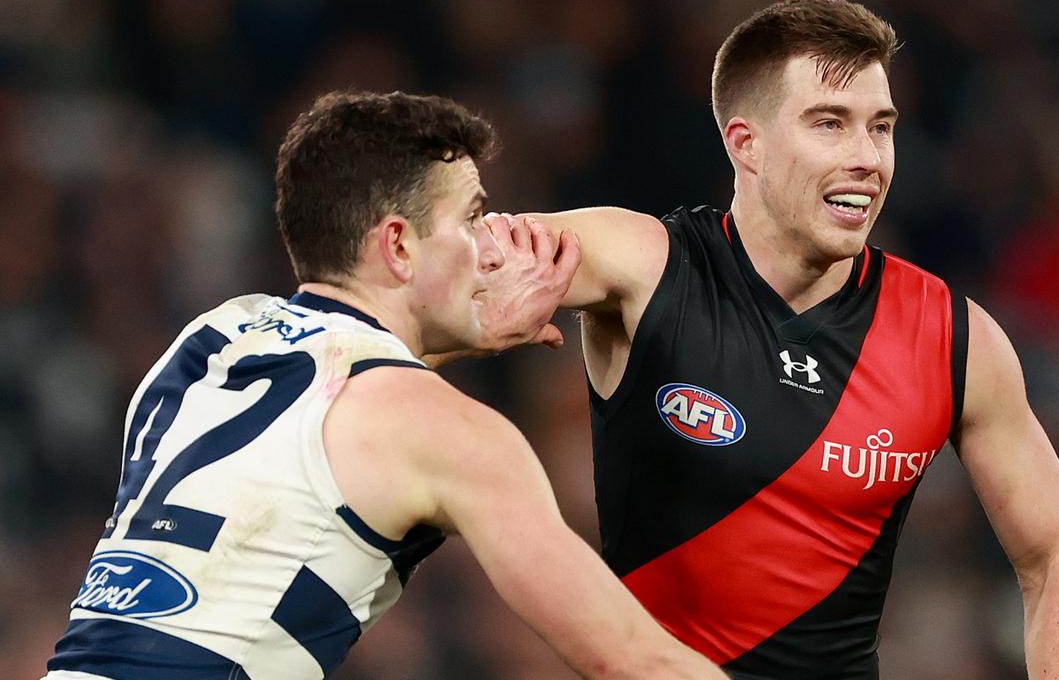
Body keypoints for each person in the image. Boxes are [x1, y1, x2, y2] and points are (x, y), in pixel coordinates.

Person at [44, 91, 727, 680]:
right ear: (398, 246)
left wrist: (465, 334)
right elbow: (632, 660)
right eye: (470, 218)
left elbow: (346, 409)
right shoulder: (452, 435)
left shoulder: (210, 338)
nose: (492, 243)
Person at [519, 0, 1059, 678]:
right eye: (830, 124)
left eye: (880, 128)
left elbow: (1058, 558)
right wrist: (480, 298)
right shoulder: (649, 266)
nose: (868, 158)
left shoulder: (952, 336)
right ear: (747, 143)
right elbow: (470, 257)